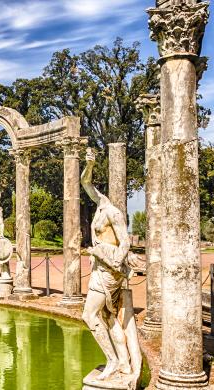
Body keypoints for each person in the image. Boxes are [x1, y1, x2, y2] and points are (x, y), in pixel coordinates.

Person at [80, 148, 140, 381]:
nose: (92, 192)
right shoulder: (100, 205)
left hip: (109, 271)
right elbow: (85, 182)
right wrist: (90, 165)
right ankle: (123, 361)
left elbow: (124, 242)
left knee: (89, 315)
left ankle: (112, 360)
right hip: (100, 268)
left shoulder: (113, 213)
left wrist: (109, 259)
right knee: (107, 316)